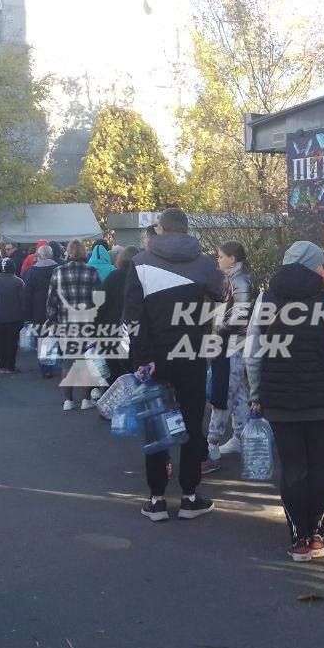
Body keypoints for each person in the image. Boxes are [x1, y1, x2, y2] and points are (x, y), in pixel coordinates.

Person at [244, 241, 324, 561]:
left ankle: (299, 541)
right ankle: (318, 537)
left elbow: (253, 355)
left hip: (278, 402)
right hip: (321, 400)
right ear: (313, 266)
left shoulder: (265, 300)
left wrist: (256, 395)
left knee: (293, 468)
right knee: (320, 466)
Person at [124, 207, 226, 521]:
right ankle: (190, 497)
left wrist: (143, 359)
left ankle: (156, 501)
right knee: (193, 423)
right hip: (193, 355)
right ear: (185, 229)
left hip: (154, 359)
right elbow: (223, 295)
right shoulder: (206, 262)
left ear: (161, 229)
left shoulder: (140, 263)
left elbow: (133, 317)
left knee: (156, 425)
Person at [205, 241, 254, 472]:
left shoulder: (239, 280)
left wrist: (217, 328)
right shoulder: (234, 279)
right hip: (232, 343)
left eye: (221, 256)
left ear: (233, 259)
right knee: (237, 392)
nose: (218, 260)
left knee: (224, 390)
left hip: (232, 344)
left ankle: (211, 445)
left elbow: (240, 314)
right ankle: (240, 437)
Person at [45, 239, 101, 411]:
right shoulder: (92, 271)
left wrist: (52, 319)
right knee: (86, 361)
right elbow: (99, 299)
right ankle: (85, 400)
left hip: (66, 322)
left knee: (68, 361)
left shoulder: (58, 272)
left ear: (68, 252)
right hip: (88, 323)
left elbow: (52, 299)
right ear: (84, 252)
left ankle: (68, 401)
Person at [99, 245, 139, 386]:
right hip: (133, 331)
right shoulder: (141, 276)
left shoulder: (113, 276)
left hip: (110, 331)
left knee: (114, 374)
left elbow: (99, 304)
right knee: (133, 371)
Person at [23, 245, 58, 377]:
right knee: (55, 337)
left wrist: (26, 315)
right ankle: (54, 363)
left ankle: (45, 368)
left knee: (42, 339)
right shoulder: (59, 269)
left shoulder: (31, 272)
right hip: (57, 310)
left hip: (38, 311)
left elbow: (27, 295)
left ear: (39, 256)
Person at [0, 259, 25, 374]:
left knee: (0, 343)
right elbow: (23, 301)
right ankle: (10, 366)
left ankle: (2, 365)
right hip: (15, 317)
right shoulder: (19, 282)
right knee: (12, 342)